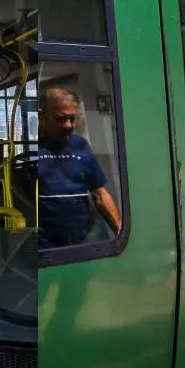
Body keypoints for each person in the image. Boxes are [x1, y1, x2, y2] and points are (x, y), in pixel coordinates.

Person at [36, 86, 121, 248]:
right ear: (41, 116)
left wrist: (121, 236)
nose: (68, 125)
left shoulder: (80, 146)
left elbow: (100, 195)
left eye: (72, 118)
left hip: (82, 244)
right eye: (60, 118)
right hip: (45, 248)